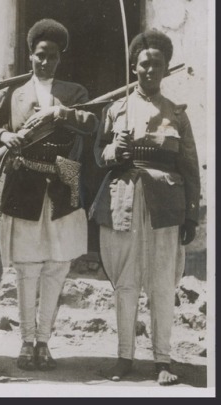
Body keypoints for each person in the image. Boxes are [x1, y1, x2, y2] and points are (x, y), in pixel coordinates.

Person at [0, 19, 98, 370]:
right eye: (40, 55)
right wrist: (2, 137)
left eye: (53, 56)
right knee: (27, 270)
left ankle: (45, 342)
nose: (45, 62)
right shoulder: (14, 94)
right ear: (30, 55)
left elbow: (94, 123)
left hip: (62, 185)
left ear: (60, 58)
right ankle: (26, 342)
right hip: (24, 185)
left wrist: (63, 112)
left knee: (57, 268)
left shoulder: (74, 92)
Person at [90, 29, 200, 385]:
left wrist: (191, 214)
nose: (150, 70)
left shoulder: (178, 115)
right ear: (133, 68)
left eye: (157, 64)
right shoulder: (116, 110)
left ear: (166, 69)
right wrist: (115, 151)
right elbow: (98, 156)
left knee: (162, 284)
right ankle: (124, 357)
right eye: (143, 64)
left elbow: (189, 166)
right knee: (125, 282)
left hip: (166, 207)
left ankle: (163, 360)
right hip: (124, 202)